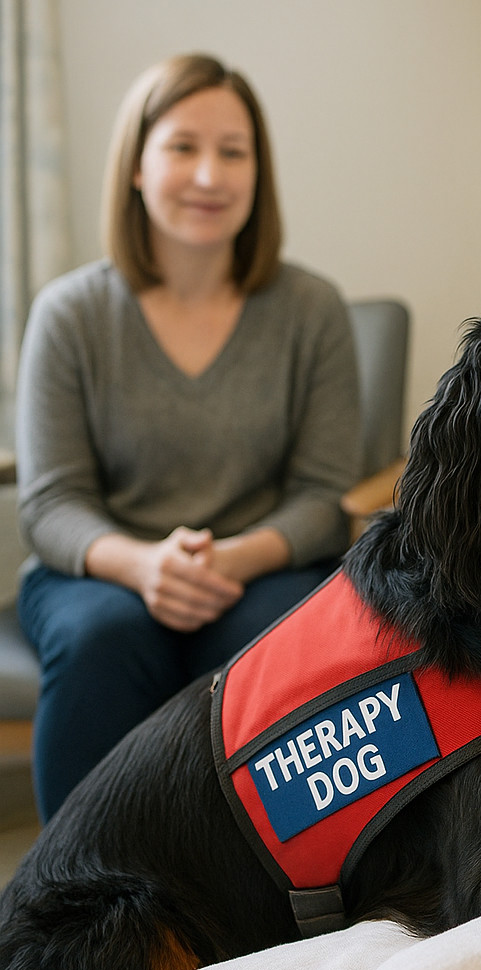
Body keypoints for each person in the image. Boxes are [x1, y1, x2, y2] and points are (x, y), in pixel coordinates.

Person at [15, 54, 362, 821]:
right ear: (136, 166)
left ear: (257, 174)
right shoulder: (70, 313)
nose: (209, 175)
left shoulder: (312, 310)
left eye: (232, 153)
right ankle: (69, 902)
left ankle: (258, 892)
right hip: (100, 571)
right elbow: (51, 503)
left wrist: (230, 559)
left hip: (260, 563)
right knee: (104, 636)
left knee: (278, 638)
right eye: (182, 147)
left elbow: (321, 497)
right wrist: (145, 566)